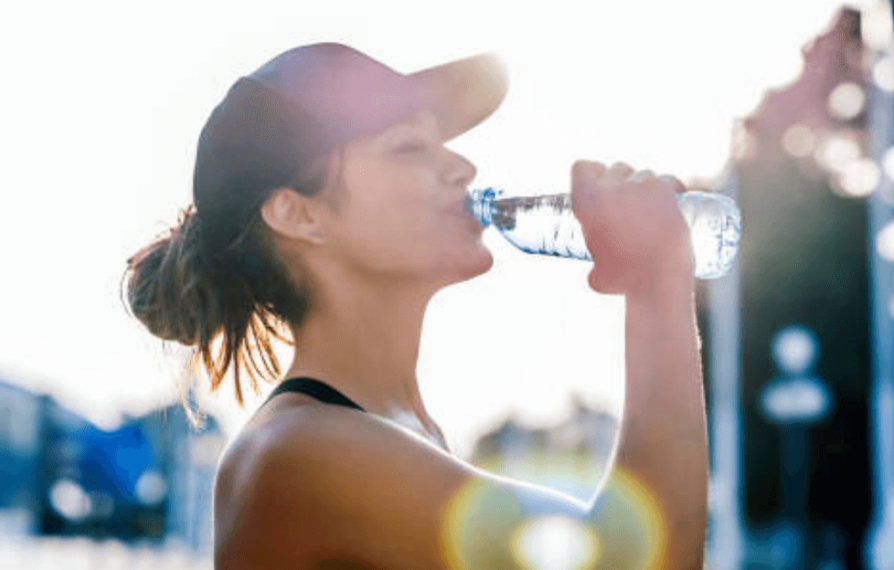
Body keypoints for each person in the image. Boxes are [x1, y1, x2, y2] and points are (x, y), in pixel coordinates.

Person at [124, 43, 708, 569]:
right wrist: (655, 282)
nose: (463, 167)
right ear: (298, 213)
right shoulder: (297, 455)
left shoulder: (402, 432)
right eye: (409, 148)